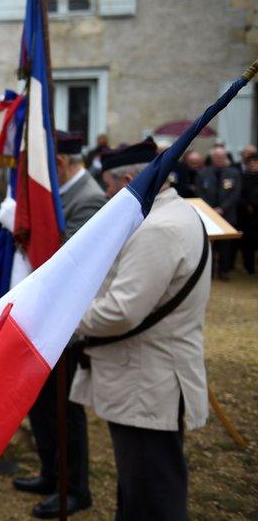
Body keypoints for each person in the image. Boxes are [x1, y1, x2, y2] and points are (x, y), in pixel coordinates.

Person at [71, 142, 211, 521]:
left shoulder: (158, 229)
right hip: (146, 377)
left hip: (148, 381)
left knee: (153, 495)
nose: (104, 195)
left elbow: (120, 312)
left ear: (130, 181)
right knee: (138, 489)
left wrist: (66, 316)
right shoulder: (170, 215)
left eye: (108, 186)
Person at [15, 131, 104, 518]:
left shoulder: (89, 199)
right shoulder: (63, 193)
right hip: (45, 317)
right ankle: (51, 472)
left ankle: (74, 488)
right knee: (41, 402)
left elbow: (68, 257)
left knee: (65, 409)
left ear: (62, 164)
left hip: (68, 320)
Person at [195, 146, 241, 280]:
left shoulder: (234, 173)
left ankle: (224, 271)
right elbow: (199, 193)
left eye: (222, 157)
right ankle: (208, 272)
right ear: (212, 158)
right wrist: (210, 210)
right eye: (217, 157)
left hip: (227, 215)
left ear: (226, 157)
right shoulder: (202, 173)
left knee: (226, 246)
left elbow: (235, 194)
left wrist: (222, 208)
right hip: (208, 215)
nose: (220, 159)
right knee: (208, 246)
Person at [239, 152, 258, 274]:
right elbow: (239, 194)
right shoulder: (243, 177)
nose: (253, 165)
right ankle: (249, 267)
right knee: (247, 243)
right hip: (246, 216)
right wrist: (246, 205)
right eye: (250, 163)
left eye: (255, 162)